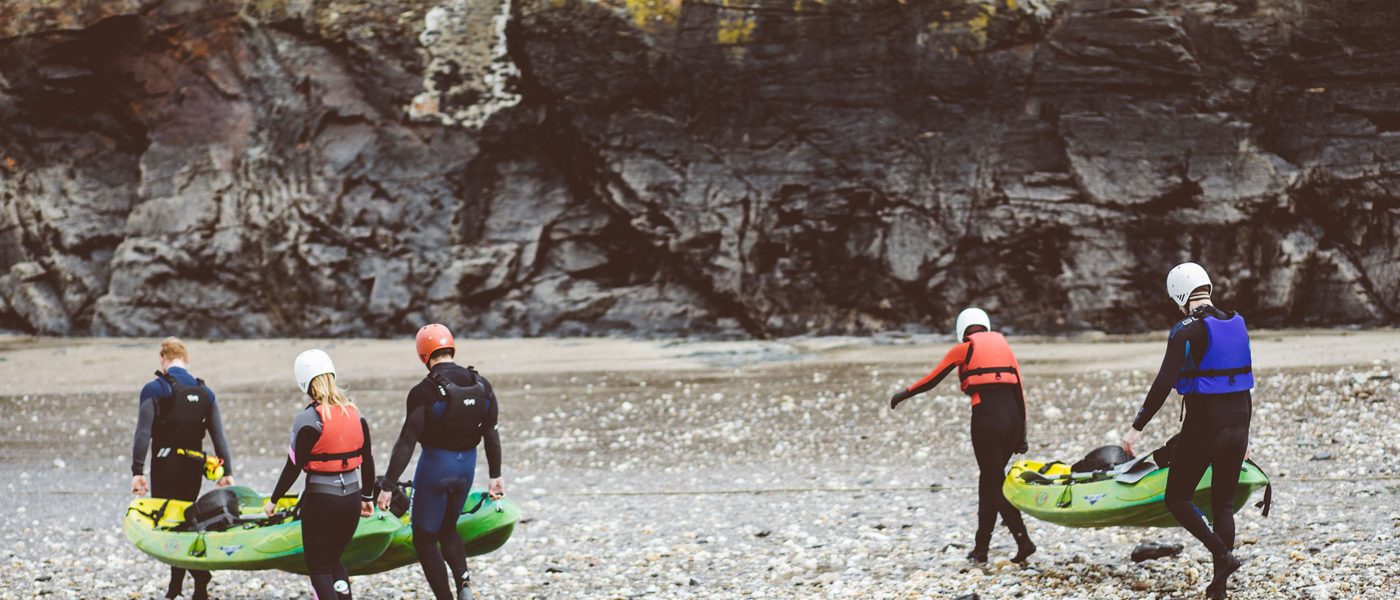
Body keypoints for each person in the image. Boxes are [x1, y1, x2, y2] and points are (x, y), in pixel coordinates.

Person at [1121, 262, 1251, 599]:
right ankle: (1218, 588)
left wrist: (1136, 429)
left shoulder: (1185, 330)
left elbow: (1164, 382)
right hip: (1240, 420)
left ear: (1178, 296)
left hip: (1205, 423)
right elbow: (1239, 382)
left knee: (1176, 497)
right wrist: (1244, 437)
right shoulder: (1236, 321)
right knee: (1222, 504)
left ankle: (1223, 557)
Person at [889, 308, 1035, 564]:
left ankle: (1024, 541)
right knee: (988, 483)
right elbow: (1019, 392)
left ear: (962, 329)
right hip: (1012, 423)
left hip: (986, 423)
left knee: (994, 484)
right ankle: (981, 549)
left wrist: (903, 394)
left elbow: (931, 380)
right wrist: (1022, 435)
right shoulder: (1005, 348)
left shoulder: (964, 348)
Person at [378, 324, 503, 600]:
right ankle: (464, 585)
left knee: (424, 538)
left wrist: (387, 485)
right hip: (466, 468)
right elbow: (491, 433)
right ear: (452, 347)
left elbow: (406, 442)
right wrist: (495, 475)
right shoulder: (482, 385)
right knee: (448, 529)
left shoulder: (423, 391)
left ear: (424, 354)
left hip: (435, 468)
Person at [265, 350, 375, 600]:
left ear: (303, 382)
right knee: (334, 558)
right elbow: (367, 460)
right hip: (352, 498)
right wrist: (367, 497)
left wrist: (274, 500)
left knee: (319, 566)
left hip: (322, 500)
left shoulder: (307, 419)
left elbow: (293, 466)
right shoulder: (356, 414)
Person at [130, 337, 235, 600]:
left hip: (165, 465)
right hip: (193, 467)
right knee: (186, 519)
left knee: (169, 522)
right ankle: (185, 587)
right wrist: (227, 471)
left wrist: (137, 471)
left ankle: (195, 578)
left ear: (163, 359)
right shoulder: (205, 392)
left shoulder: (154, 389)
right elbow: (218, 435)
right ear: (186, 360)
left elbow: (142, 433)